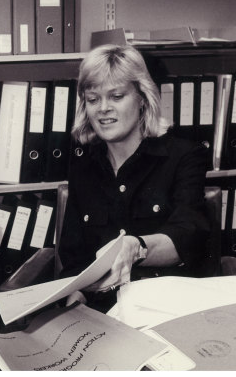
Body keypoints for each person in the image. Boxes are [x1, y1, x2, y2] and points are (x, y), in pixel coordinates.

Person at [60, 44, 210, 311]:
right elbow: (74, 257)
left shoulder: (184, 155)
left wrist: (137, 247)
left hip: (166, 307)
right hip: (101, 313)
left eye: (116, 96)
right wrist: (75, 297)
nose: (103, 109)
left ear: (142, 98)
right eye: (93, 99)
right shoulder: (83, 165)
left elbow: (188, 238)